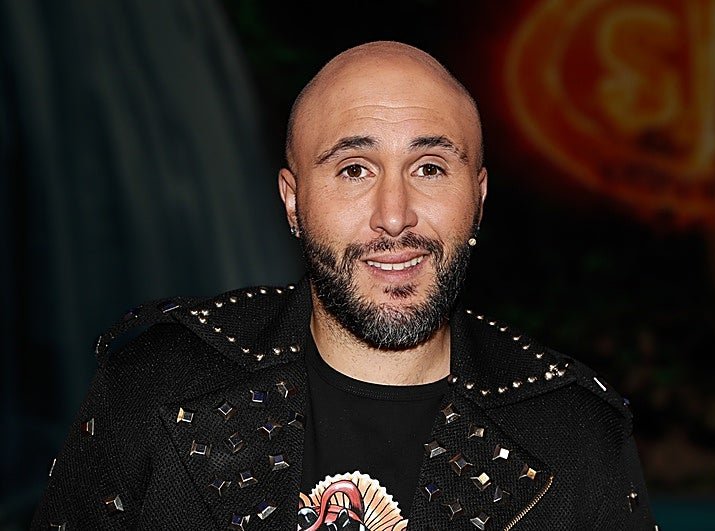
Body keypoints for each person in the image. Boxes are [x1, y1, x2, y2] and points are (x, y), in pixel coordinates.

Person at [31, 40, 658, 530]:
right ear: (293, 201)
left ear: (479, 196)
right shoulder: (155, 387)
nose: (395, 216)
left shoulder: (576, 434)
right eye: (355, 169)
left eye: (430, 168)